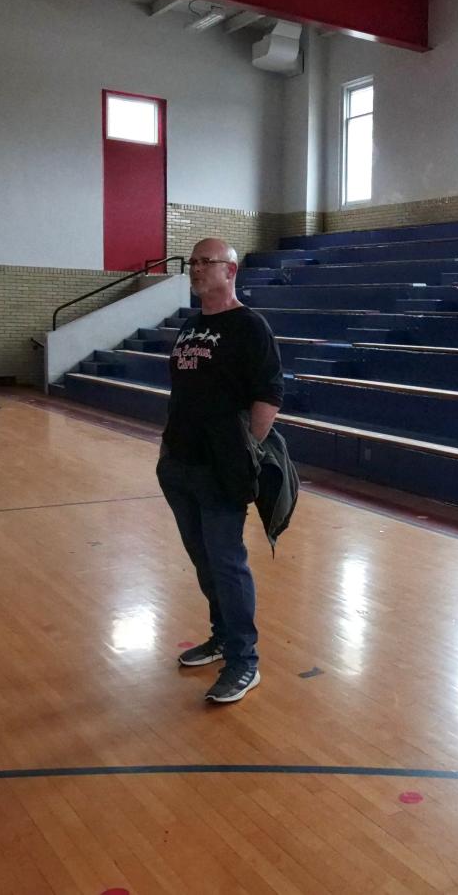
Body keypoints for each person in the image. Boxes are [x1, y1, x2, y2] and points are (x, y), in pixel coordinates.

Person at [156, 237, 284, 703]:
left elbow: (268, 396)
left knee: (227, 563)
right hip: (178, 464)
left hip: (220, 470)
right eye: (192, 263)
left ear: (230, 271)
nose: (195, 269)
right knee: (204, 559)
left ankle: (244, 662)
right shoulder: (191, 327)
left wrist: (243, 450)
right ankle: (221, 637)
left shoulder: (250, 326)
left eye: (204, 262)